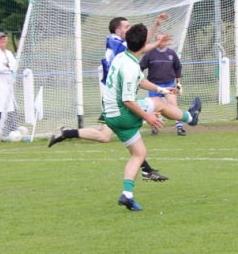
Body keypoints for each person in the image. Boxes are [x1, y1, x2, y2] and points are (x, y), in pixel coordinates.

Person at [48, 14, 171, 182]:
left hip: (114, 94)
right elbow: (140, 45)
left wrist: (156, 27)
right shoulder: (116, 42)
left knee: (106, 136)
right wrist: (157, 42)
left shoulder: (118, 42)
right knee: (127, 125)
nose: (129, 30)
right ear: (118, 30)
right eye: (127, 27)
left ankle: (66, 132)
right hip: (114, 97)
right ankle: (146, 170)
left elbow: (140, 44)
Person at [103, 23, 201, 211]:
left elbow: (141, 81)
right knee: (158, 104)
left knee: (139, 154)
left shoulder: (123, 56)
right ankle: (190, 117)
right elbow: (128, 100)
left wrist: (161, 89)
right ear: (143, 44)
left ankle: (127, 195)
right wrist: (148, 117)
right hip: (122, 112)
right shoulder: (131, 67)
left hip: (109, 115)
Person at [140, 34, 185, 136]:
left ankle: (179, 127)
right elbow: (140, 67)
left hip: (169, 84)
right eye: (159, 40)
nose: (161, 41)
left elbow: (178, 67)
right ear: (156, 41)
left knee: (173, 103)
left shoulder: (171, 53)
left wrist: (178, 83)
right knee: (155, 109)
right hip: (154, 86)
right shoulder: (150, 54)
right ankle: (155, 128)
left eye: (163, 39)